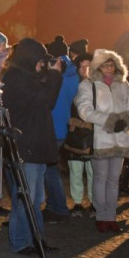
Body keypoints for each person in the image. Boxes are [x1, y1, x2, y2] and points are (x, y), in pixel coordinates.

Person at [0, 38, 63, 256]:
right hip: (24, 147)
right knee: (24, 197)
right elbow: (47, 100)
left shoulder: (25, 76)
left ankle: (36, 239)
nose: (42, 65)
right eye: (40, 60)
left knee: (36, 199)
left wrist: (49, 74)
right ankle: (20, 241)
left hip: (34, 145)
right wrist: (54, 75)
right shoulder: (17, 79)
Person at [74, 49, 129, 233]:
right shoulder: (88, 85)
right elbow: (84, 110)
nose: (109, 68)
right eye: (105, 65)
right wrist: (109, 121)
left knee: (114, 180)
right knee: (100, 178)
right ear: (98, 67)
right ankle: (101, 215)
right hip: (100, 139)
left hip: (121, 139)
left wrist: (126, 121)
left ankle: (111, 216)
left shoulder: (123, 84)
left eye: (112, 64)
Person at [42, 36, 77, 223]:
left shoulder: (57, 74)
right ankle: (54, 206)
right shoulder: (73, 74)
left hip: (51, 126)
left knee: (49, 170)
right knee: (51, 168)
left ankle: (59, 208)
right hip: (62, 126)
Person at [65, 52, 95, 216]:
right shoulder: (71, 83)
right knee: (75, 169)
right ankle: (77, 203)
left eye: (88, 66)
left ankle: (93, 202)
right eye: (81, 66)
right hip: (75, 131)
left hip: (92, 132)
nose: (84, 70)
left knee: (92, 170)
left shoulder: (98, 85)